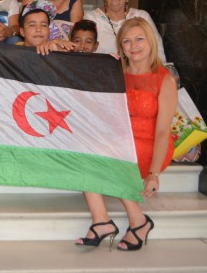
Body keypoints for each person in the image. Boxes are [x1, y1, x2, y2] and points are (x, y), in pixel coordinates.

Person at [75, 17, 176, 251]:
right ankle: (102, 220)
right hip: (122, 140)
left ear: (150, 42)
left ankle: (138, 222)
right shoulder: (115, 70)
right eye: (127, 42)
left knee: (114, 158)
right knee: (85, 153)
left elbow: (163, 131)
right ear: (121, 47)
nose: (134, 46)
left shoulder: (165, 79)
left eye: (139, 39)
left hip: (151, 144)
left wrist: (154, 173)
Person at [84, 0, 166, 61]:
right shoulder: (91, 18)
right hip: (103, 72)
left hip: (139, 72)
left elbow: (157, 49)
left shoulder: (142, 16)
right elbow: (83, 52)